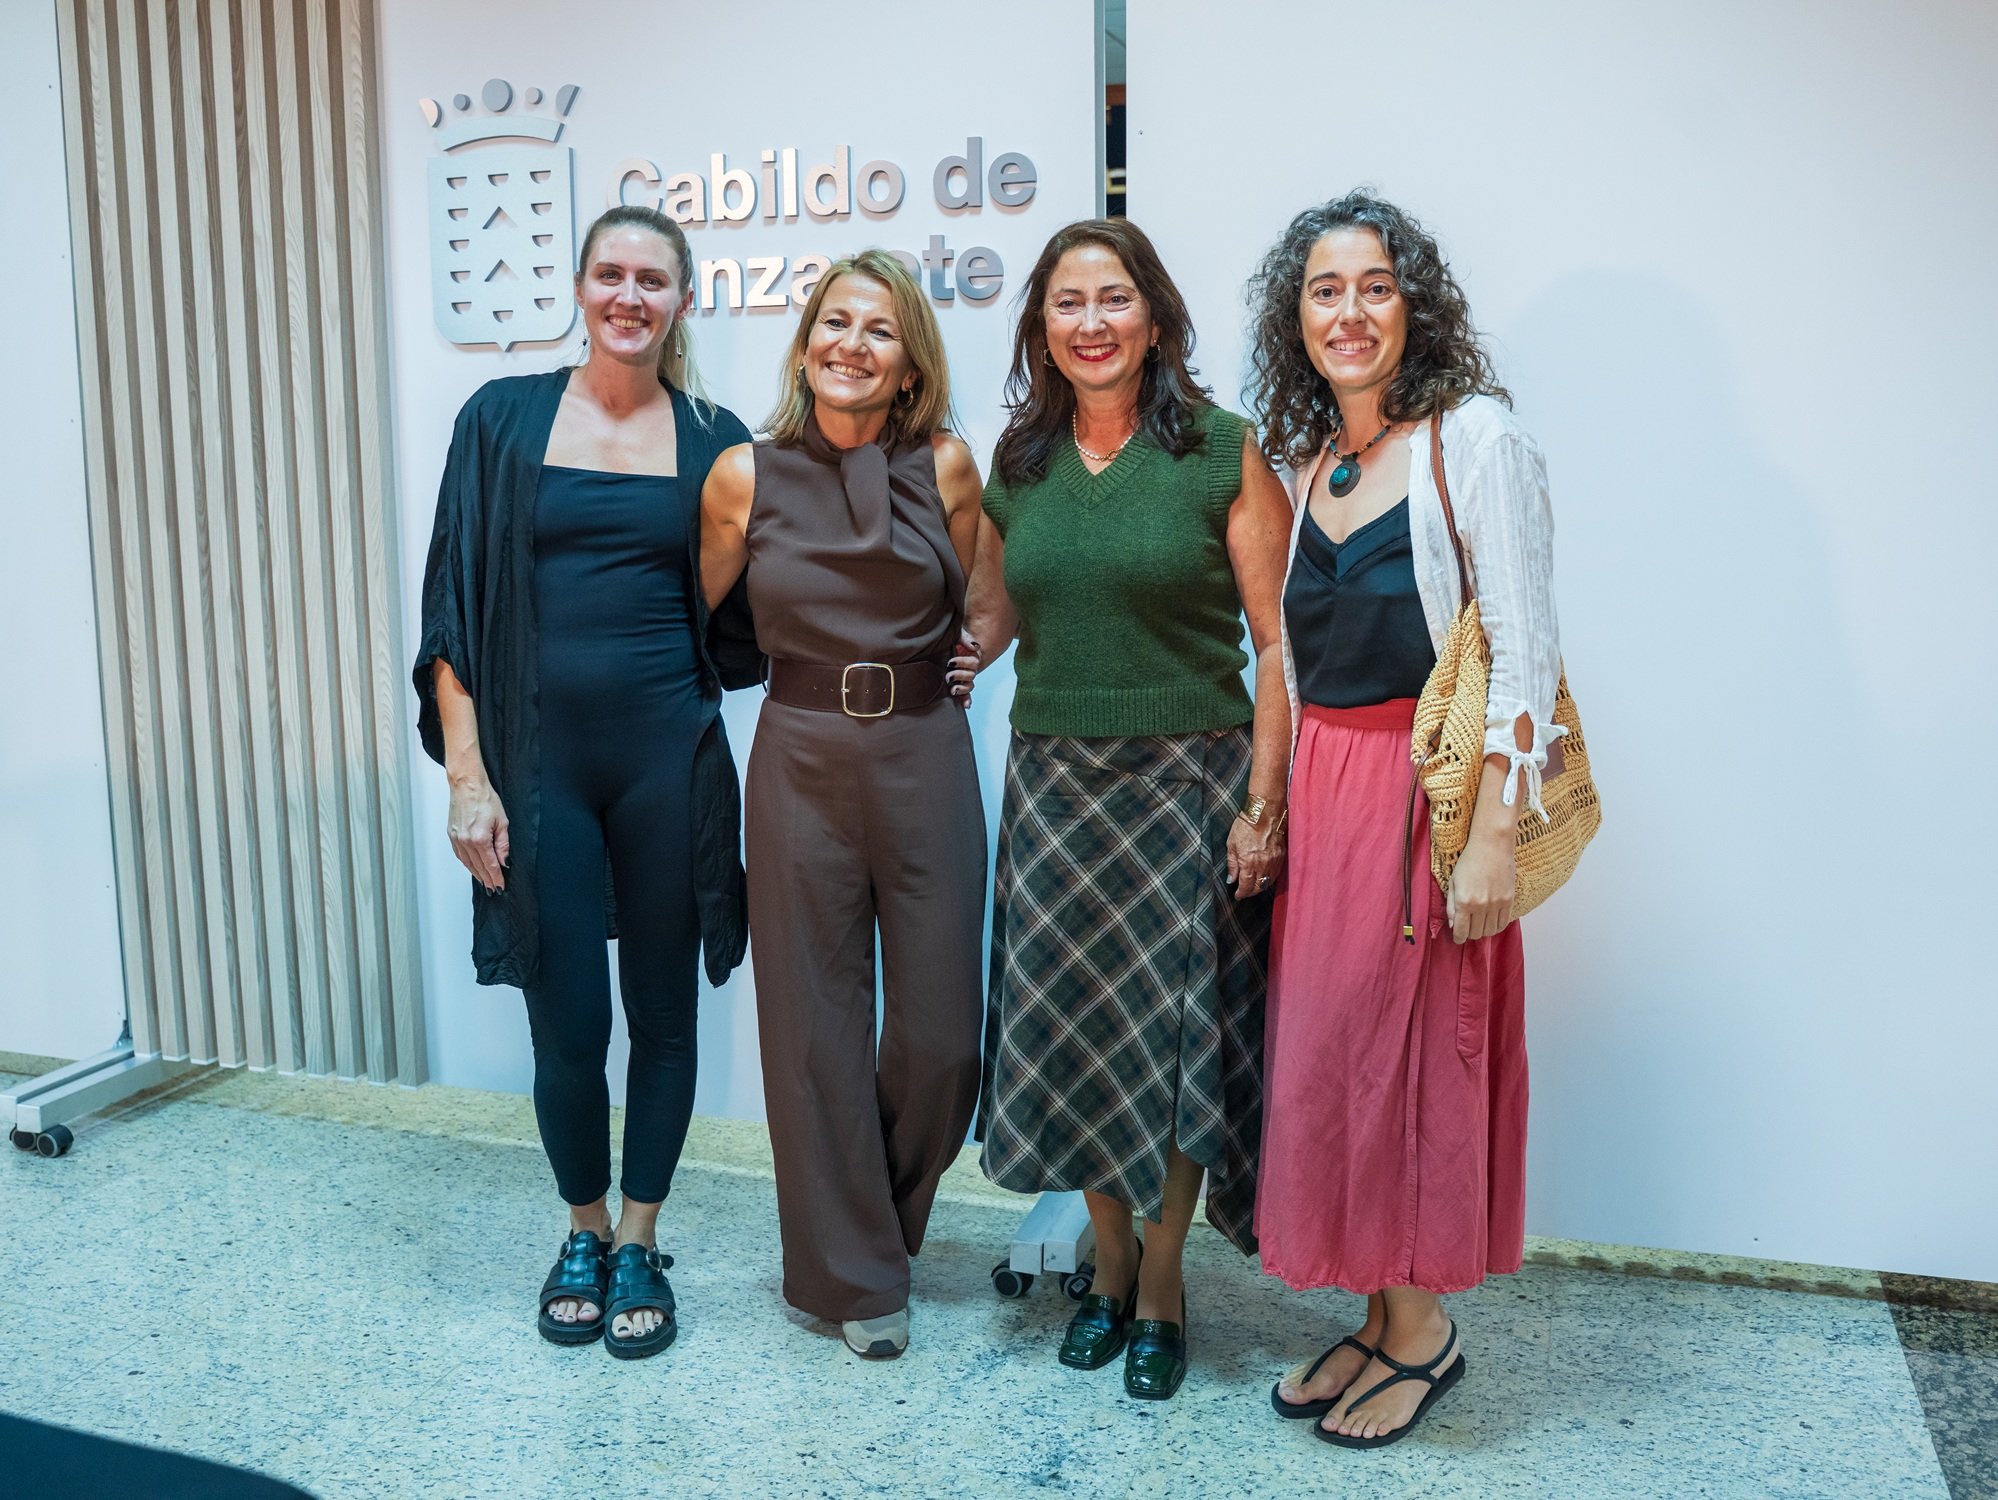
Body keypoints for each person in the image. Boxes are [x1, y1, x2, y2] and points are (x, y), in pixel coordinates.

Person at [413, 204, 758, 1359]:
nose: (628, 296)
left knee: (664, 1019)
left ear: (682, 299)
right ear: (578, 285)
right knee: (566, 1025)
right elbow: (451, 611)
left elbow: (767, 603)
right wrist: (469, 775)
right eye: (609, 274)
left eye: (651, 280)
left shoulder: (717, 437)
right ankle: (582, 1228)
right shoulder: (503, 420)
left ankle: (644, 1242)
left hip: (668, 763)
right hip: (540, 768)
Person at [1246, 191, 1562, 1447]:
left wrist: (1492, 831)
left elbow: (1525, 648)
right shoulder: (1317, 457)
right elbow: (1287, 652)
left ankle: (1426, 1338)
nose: (1350, 310)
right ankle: (1382, 1313)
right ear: (1299, 318)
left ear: (1411, 301)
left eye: (1374, 285)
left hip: (1422, 797)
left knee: (1414, 1057)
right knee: (1335, 1057)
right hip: (1327, 786)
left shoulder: (1472, 437)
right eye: (1325, 290)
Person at [959, 219, 1292, 1401]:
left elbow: (1275, 645)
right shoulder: (1023, 459)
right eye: (1066, 303)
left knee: (1171, 1048)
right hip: (1053, 785)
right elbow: (999, 610)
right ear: (1041, 328)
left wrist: (1264, 806)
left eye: (1112, 299)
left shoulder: (1221, 451)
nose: (1090, 322)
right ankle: (1104, 1259)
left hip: (1187, 788)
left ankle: (1159, 1282)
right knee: (1076, 1037)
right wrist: (951, 659)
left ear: (1153, 316)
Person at [699, 250, 986, 1362]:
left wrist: (976, 652)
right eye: (833, 321)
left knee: (943, 1037)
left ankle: (871, 1226)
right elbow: (694, 617)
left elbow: (993, 603)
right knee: (813, 1027)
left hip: (925, 750)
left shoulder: (950, 468)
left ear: (910, 360)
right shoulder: (743, 476)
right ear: (806, 340)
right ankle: (853, 1277)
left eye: (878, 329)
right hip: (801, 757)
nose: (850, 344)